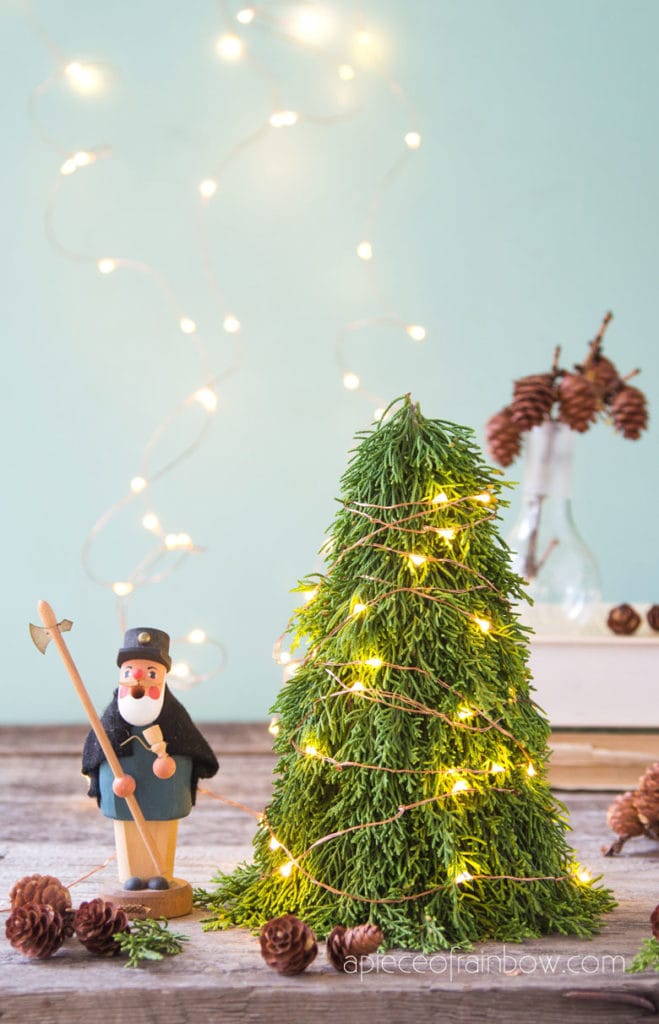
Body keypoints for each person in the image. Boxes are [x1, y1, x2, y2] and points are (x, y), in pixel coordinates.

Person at [82, 627, 219, 891]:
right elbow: (95, 752)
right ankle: (130, 875)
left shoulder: (175, 720)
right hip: (123, 795)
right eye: (129, 671)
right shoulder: (110, 722)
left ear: (164, 679)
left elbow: (194, 749)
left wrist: (171, 766)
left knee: (163, 829)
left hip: (166, 793)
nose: (138, 678)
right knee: (127, 830)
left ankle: (161, 874)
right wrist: (111, 783)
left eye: (151, 672)